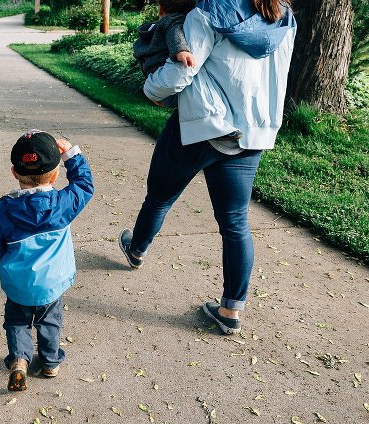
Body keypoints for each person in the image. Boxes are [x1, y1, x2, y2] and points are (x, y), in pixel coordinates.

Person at [119, 0, 296, 334]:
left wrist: (151, 88)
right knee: (235, 222)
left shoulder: (210, 12)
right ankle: (230, 311)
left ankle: (136, 249)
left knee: (160, 197)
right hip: (252, 132)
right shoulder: (284, 18)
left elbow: (182, 69)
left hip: (203, 126)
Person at [0, 131, 94, 391]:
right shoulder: (63, 204)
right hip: (52, 285)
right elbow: (85, 185)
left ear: (14, 172)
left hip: (18, 286)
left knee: (17, 321)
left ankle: (19, 360)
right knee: (50, 321)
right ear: (54, 175)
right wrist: (70, 154)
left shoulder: (2, 211)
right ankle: (50, 362)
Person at [133, 0, 242, 140]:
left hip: (154, 73)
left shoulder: (155, 28)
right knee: (196, 79)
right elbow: (175, 32)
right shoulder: (174, 20)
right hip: (164, 71)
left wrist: (152, 86)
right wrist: (181, 50)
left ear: (160, 9)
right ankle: (213, 126)